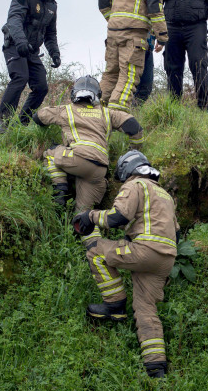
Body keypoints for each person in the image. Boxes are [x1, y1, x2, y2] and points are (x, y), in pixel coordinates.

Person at [72, 150, 179, 378]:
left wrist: (89, 216)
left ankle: (114, 305)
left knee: (96, 251)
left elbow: (116, 218)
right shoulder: (166, 196)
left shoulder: (135, 185)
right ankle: (156, 369)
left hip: (145, 251)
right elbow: (175, 235)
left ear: (127, 169)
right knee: (146, 309)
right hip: (166, 259)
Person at [33, 76, 143, 212]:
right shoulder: (107, 113)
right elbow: (134, 127)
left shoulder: (65, 110)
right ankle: (89, 231)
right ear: (98, 95)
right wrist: (134, 151)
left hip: (77, 159)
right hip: (99, 169)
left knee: (51, 153)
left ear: (74, 93)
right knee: (84, 220)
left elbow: (38, 117)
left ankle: (60, 192)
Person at [98, 0, 169, 113]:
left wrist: (112, 18)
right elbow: (154, 5)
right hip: (134, 34)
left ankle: (94, 116)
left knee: (110, 75)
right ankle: (116, 119)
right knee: (128, 78)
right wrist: (162, 35)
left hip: (113, 31)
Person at [0, 0, 62, 134]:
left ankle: (22, 123)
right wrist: (21, 42)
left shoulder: (52, 6)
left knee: (41, 86)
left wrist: (55, 53)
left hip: (32, 50)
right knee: (20, 77)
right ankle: (1, 121)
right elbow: (14, 20)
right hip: (15, 45)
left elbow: (51, 33)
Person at [133, 34, 156, 106]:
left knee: (146, 88)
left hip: (149, 48)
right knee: (129, 85)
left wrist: (161, 40)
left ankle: (134, 113)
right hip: (133, 47)